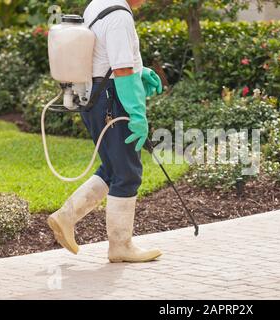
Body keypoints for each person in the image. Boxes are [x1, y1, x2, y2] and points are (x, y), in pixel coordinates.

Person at [47, 0, 163, 263]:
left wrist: (140, 70)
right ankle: (121, 246)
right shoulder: (120, 16)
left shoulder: (97, 4)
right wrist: (137, 113)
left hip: (93, 96)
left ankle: (66, 216)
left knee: (113, 168)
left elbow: (100, 56)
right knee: (127, 173)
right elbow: (121, 70)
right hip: (111, 99)